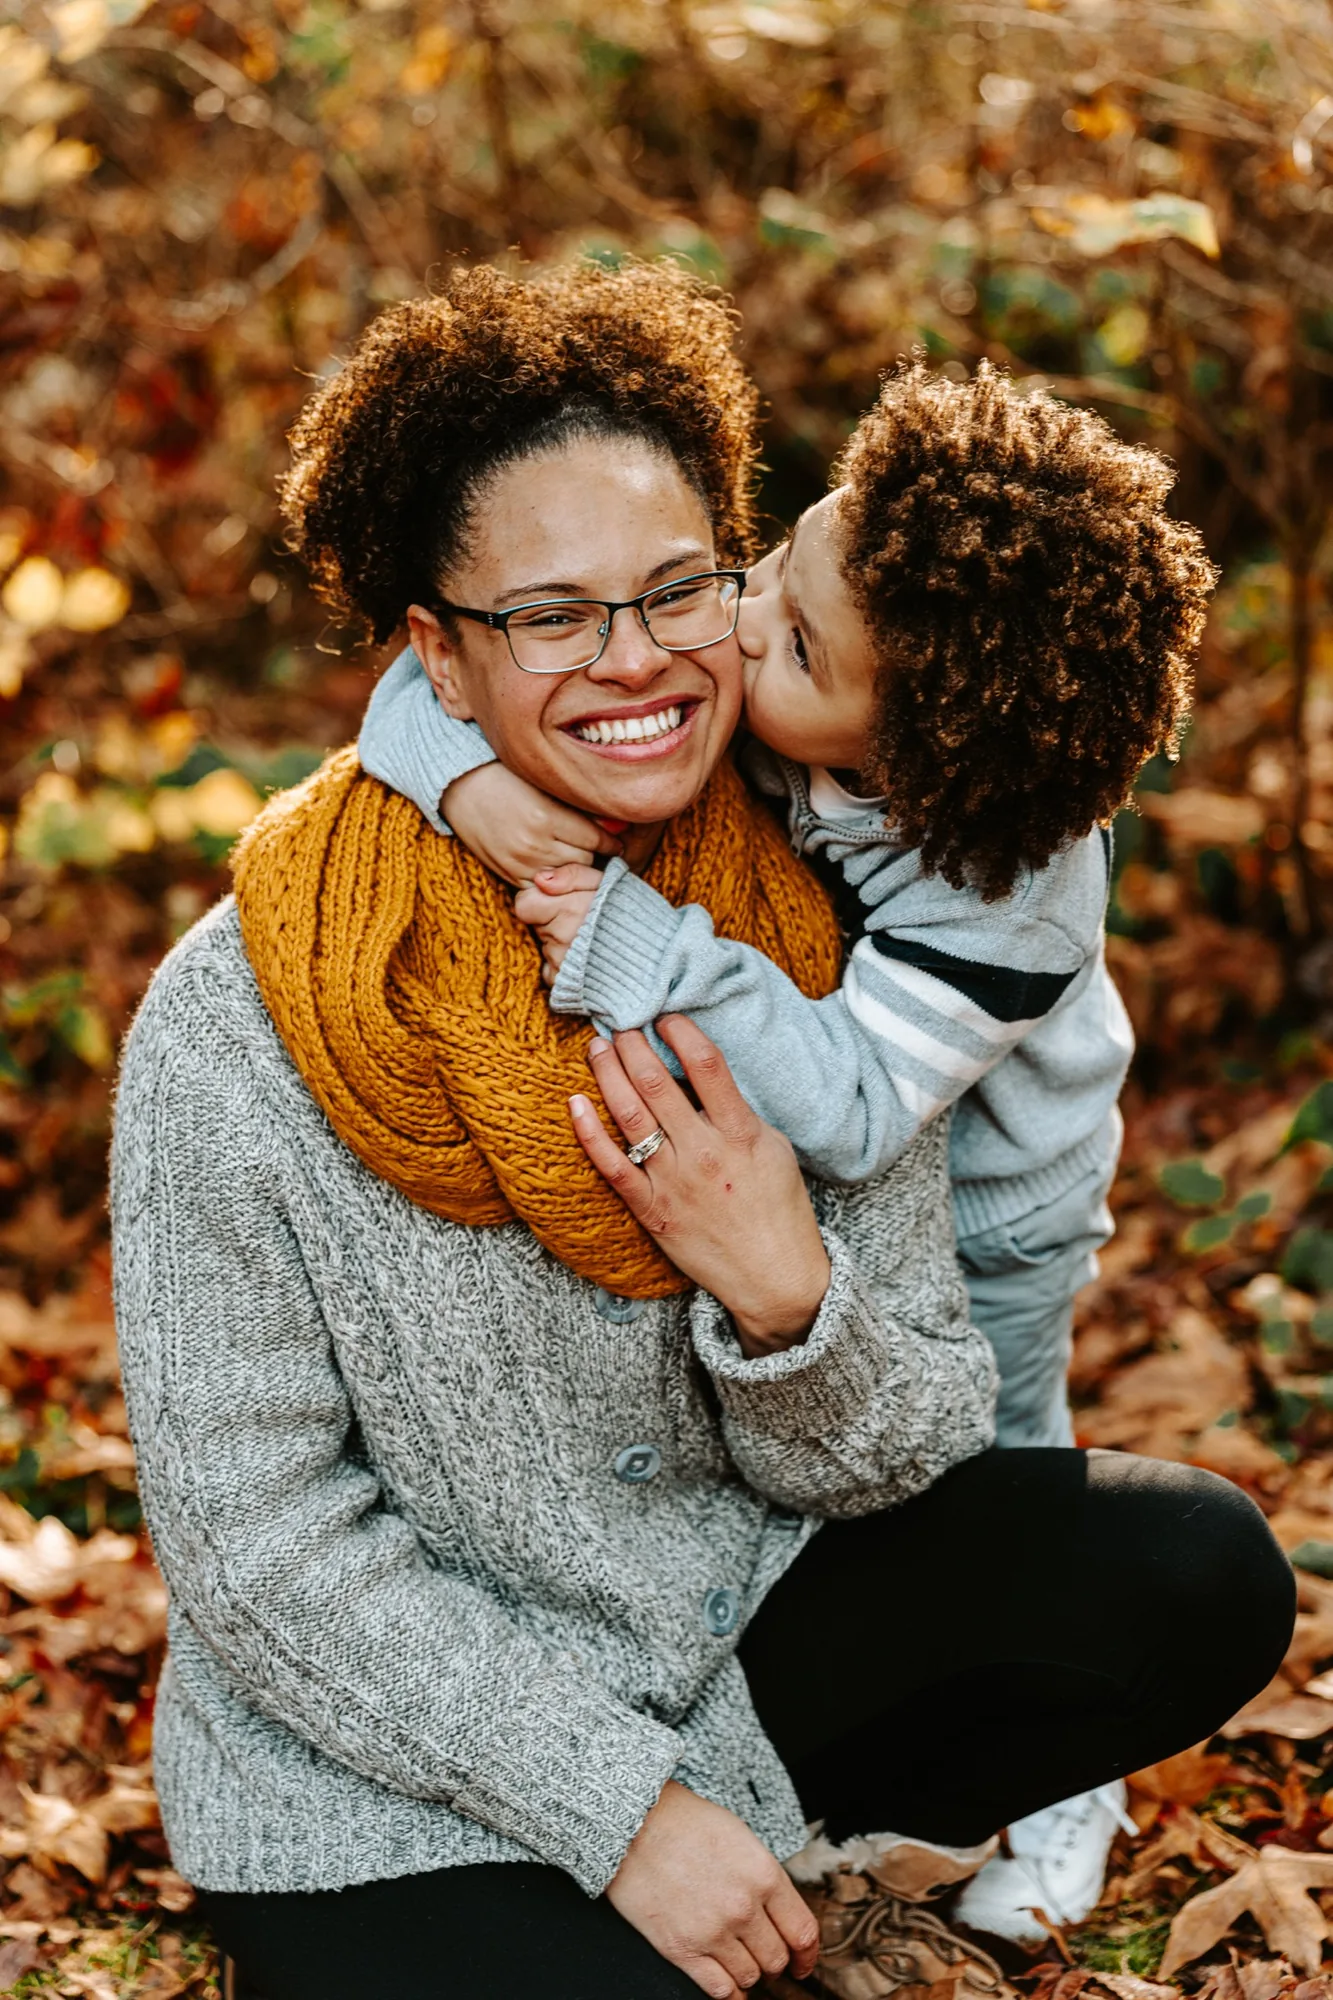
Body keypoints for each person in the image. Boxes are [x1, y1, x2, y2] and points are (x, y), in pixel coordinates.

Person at [111, 260, 1292, 2000]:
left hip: (735, 1650)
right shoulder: (236, 1025)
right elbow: (258, 1551)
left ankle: (818, 1846)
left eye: (678, 589)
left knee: (1196, 1568)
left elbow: (907, 1452)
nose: (641, 659)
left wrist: (783, 1298)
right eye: (552, 617)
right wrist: (623, 1814)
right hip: (383, 1780)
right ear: (433, 649)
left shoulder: (808, 930)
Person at [357, 360, 1219, 1938]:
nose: (743, 623)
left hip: (987, 1220)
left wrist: (638, 943)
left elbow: (848, 1101)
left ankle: (1049, 1784)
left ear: (923, 749)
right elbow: (430, 690)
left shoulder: (1009, 875)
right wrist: (472, 785)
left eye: (798, 642)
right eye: (779, 563)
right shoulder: (775, 673)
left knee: (982, 1478)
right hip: (844, 1180)